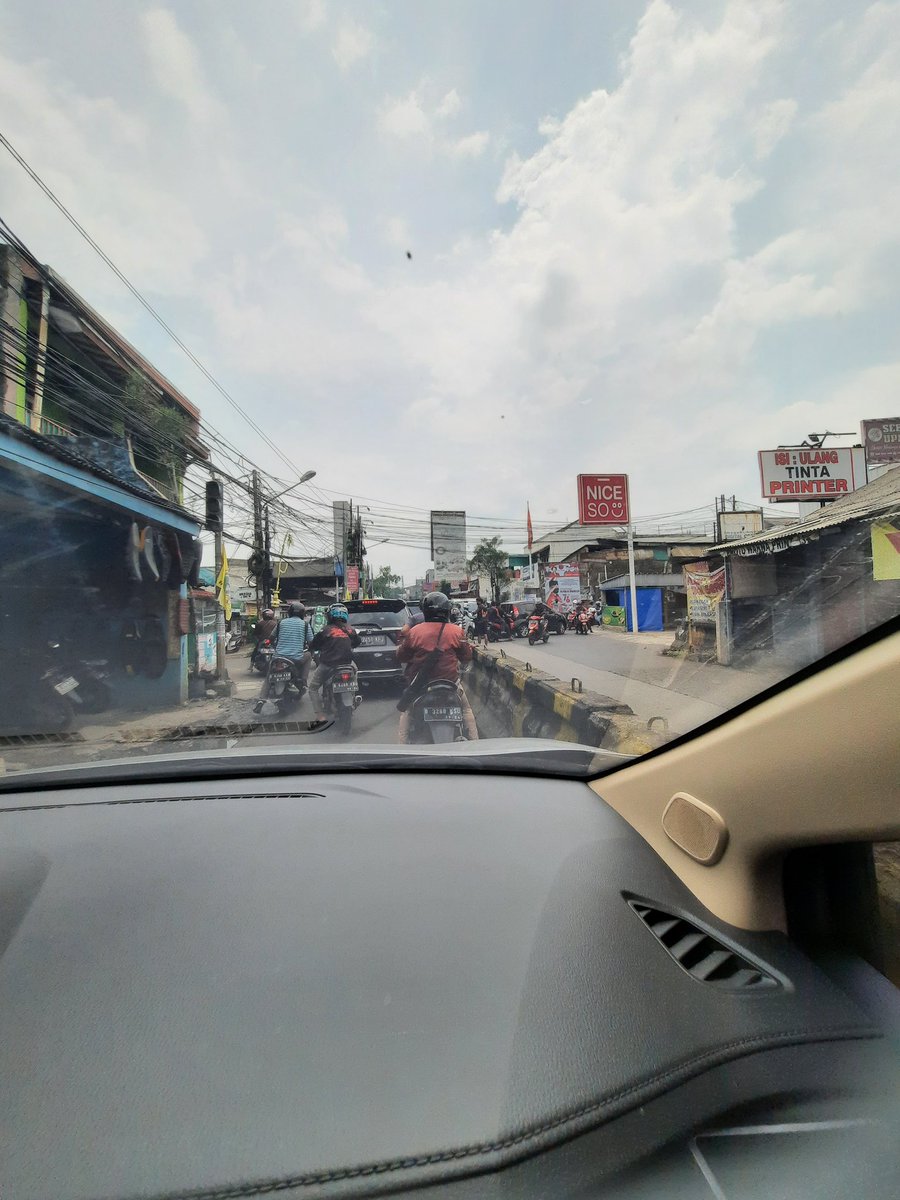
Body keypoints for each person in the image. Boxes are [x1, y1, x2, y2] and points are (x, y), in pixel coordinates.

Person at [396, 591, 478, 742]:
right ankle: (475, 744)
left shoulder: (414, 632)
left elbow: (401, 656)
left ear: (425, 611)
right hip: (451, 684)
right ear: (447, 611)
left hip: (421, 685)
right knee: (466, 710)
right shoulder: (456, 631)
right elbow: (466, 656)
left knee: (407, 711)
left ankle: (402, 750)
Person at [309, 604, 361, 718]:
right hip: (347, 664)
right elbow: (357, 642)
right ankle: (353, 696)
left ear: (329, 615)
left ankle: (320, 714)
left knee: (313, 688)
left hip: (328, 665)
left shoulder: (325, 630)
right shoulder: (350, 629)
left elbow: (314, 644)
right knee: (355, 671)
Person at [271, 601, 315, 692]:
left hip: (278, 657)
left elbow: (271, 638)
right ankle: (303, 681)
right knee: (309, 655)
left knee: (269, 675)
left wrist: (275, 647)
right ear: (302, 613)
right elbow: (311, 643)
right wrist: (312, 649)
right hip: (296, 659)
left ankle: (262, 699)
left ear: (289, 612)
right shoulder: (305, 625)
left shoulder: (281, 623)